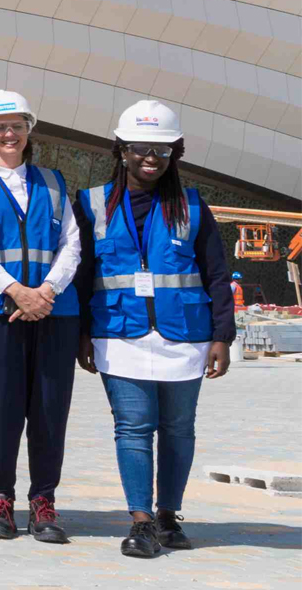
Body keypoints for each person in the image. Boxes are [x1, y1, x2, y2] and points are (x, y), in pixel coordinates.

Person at [75, 101, 234, 558]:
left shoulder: (193, 205)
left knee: (180, 428)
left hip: (185, 334)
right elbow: (82, 275)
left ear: (174, 154)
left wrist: (222, 335)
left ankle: (169, 515)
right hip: (117, 332)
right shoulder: (90, 203)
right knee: (132, 427)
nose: (151, 157)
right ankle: (141, 521)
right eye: (141, 148)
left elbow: (216, 274)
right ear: (122, 150)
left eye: (162, 149)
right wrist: (82, 333)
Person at [0, 90, 84, 542]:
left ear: (29, 130)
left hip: (52, 311)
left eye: (17, 126)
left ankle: (43, 501)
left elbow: (72, 244)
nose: (9, 134)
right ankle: (0, 500)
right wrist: (15, 291)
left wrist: (46, 291)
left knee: (49, 409)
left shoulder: (54, 182)